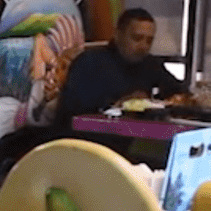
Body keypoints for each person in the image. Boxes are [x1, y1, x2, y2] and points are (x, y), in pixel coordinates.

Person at [53, 7, 189, 127]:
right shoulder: (90, 61)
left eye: (149, 40)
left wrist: (170, 101)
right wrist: (119, 104)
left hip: (133, 139)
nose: (143, 46)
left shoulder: (150, 64)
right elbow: (72, 107)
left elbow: (177, 90)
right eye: (137, 38)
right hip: (85, 140)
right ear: (117, 35)